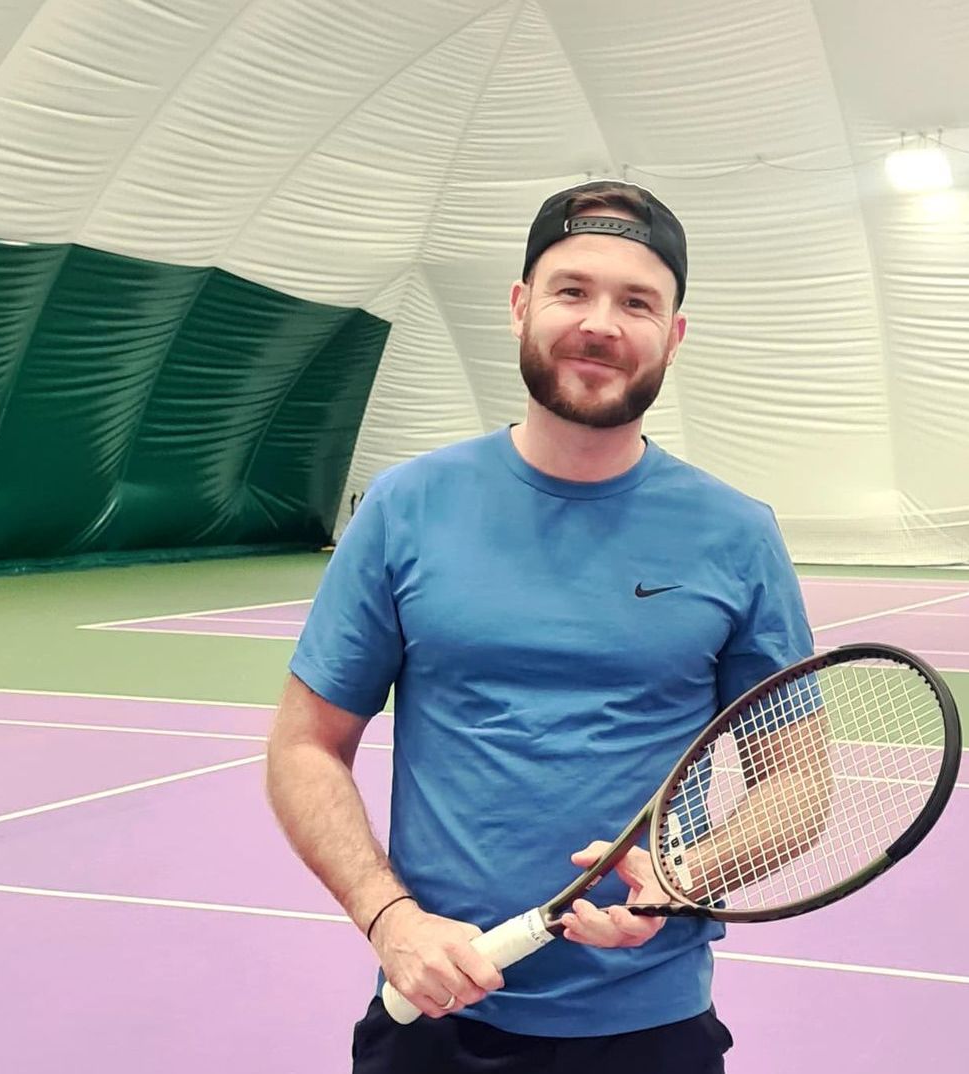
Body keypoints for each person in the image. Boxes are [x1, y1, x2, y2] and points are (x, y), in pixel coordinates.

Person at [265, 179, 814, 1074]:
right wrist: (390, 919)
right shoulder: (407, 507)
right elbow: (304, 747)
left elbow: (796, 779)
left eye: (636, 302)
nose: (600, 324)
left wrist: (686, 877)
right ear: (521, 306)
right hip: (436, 1021)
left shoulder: (737, 534)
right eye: (572, 291)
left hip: (650, 1034)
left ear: (673, 335)